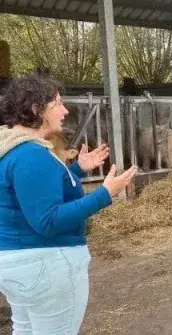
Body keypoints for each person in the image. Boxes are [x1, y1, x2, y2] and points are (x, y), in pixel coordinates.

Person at [0, 75, 137, 335]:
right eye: (58, 104)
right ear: (36, 109)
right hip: (45, 264)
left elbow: (34, 196)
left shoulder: (10, 150)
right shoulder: (32, 155)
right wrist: (105, 194)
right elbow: (48, 221)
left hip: (16, 262)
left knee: (26, 330)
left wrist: (77, 169)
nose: (65, 111)